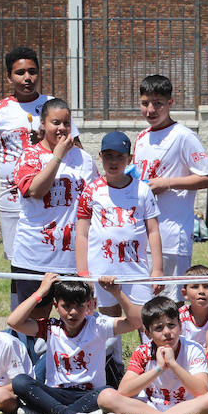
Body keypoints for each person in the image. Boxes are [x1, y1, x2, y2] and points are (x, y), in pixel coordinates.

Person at [0, 48, 80, 267]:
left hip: (55, 200)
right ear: (9, 76)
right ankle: (21, 302)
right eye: (20, 72)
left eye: (32, 71)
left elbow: (76, 149)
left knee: (58, 261)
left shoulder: (54, 105)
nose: (27, 78)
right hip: (14, 201)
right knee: (20, 266)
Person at [9, 274, 141, 414]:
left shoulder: (98, 325)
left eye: (79, 306)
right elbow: (13, 321)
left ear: (89, 306)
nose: (73, 312)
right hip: (56, 393)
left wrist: (117, 293)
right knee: (20, 382)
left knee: (108, 392)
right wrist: (41, 292)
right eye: (66, 306)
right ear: (56, 306)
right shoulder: (50, 327)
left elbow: (136, 322)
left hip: (90, 394)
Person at [133, 74, 208, 298]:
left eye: (158, 104)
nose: (151, 110)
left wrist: (168, 183)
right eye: (145, 103)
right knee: (145, 305)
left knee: (171, 305)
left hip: (172, 237)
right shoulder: (141, 138)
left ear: (170, 103)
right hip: (143, 237)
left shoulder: (183, 137)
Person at [11, 99, 96, 304]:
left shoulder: (84, 159)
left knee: (74, 317)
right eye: (55, 122)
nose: (62, 128)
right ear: (42, 124)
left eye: (66, 123)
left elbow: (95, 202)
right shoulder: (29, 156)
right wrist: (57, 156)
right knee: (36, 321)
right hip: (35, 257)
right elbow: (36, 191)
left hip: (73, 259)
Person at [76, 130, 162, 316]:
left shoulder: (142, 190)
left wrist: (157, 269)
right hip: (102, 269)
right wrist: (83, 272)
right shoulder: (91, 191)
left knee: (144, 319)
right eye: (108, 156)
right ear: (100, 157)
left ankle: (147, 347)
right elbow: (82, 233)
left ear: (130, 158)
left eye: (119, 157)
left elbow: (153, 231)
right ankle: (112, 347)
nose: (113, 162)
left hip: (135, 270)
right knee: (108, 323)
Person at [100, 295, 208, 414]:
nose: (167, 332)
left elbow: (202, 391)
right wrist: (159, 368)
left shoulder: (193, 349)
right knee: (106, 396)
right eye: (159, 328)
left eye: (171, 325)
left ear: (180, 326)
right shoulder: (143, 351)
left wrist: (173, 365)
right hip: (151, 407)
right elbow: (124, 391)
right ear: (148, 333)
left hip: (186, 405)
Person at [178, 265, 208, 351]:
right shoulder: (179, 317)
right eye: (195, 287)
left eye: (207, 286)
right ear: (184, 293)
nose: (201, 291)